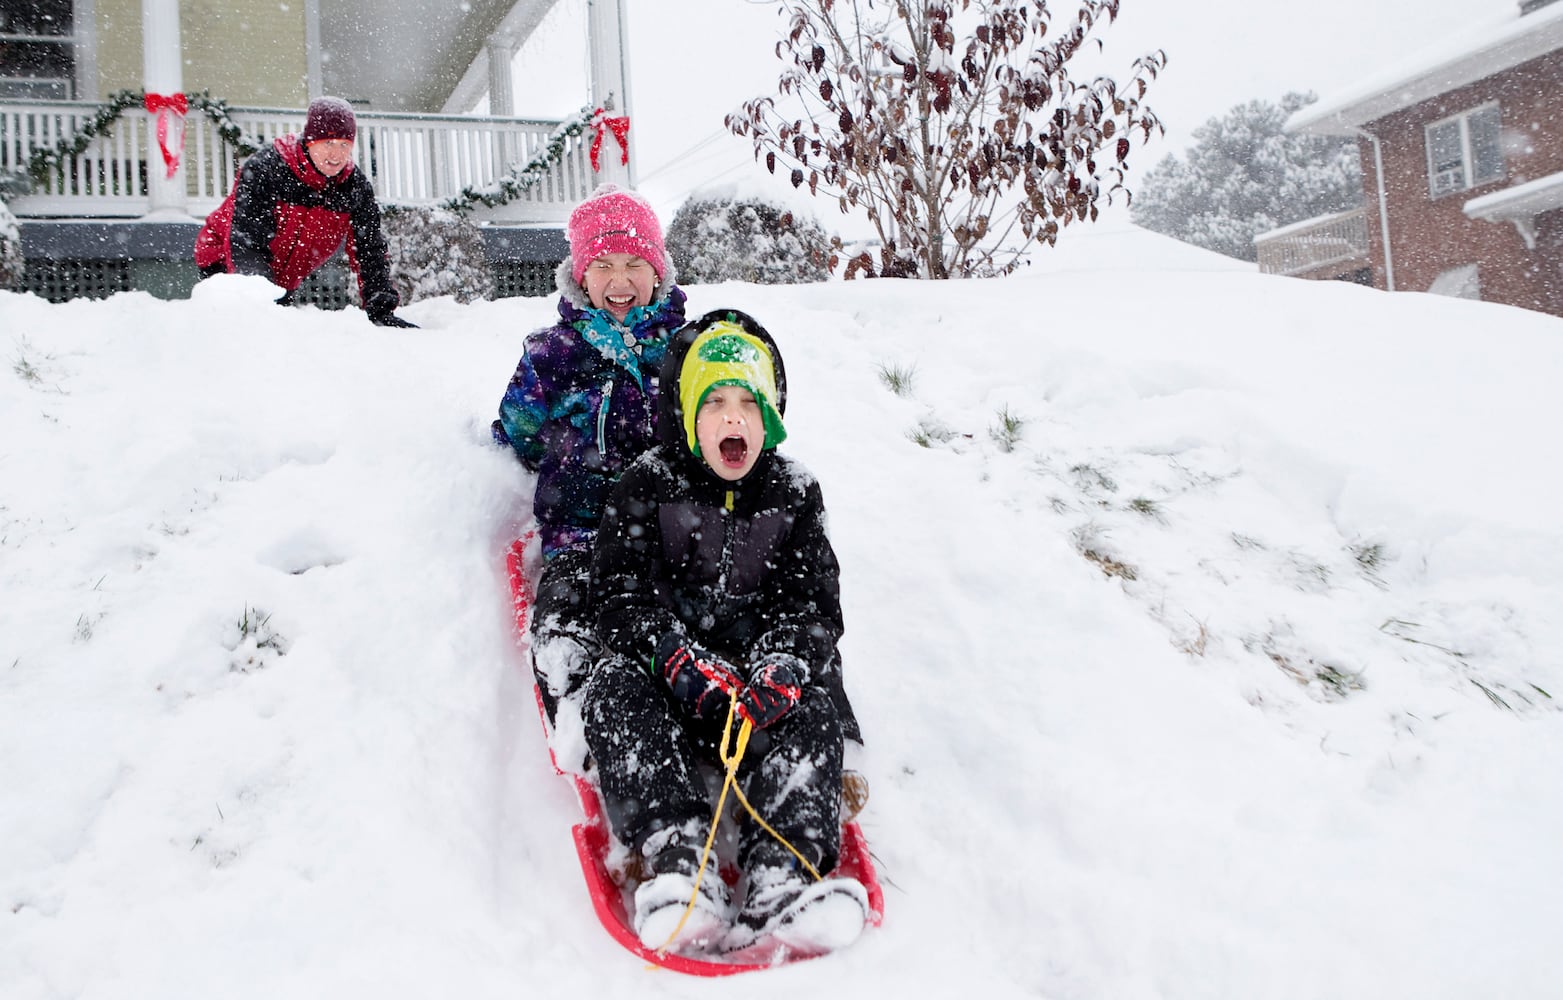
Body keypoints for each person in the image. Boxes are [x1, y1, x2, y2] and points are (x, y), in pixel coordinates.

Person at [581, 308, 867, 957]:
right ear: (687, 415)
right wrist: (672, 656)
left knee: (815, 708)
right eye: (714, 402)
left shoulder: (793, 492)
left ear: (771, 415)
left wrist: (784, 663)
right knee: (613, 689)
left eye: (749, 402)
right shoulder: (647, 484)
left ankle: (783, 875)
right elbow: (618, 594)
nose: (733, 417)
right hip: (672, 686)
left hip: (756, 694)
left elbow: (811, 602)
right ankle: (681, 863)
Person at [491, 184, 686, 719]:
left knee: (675, 620)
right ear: (579, 275)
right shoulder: (553, 354)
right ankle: (581, 707)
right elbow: (519, 428)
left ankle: (679, 707)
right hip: (582, 534)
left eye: (634, 263)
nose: (619, 281)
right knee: (567, 620)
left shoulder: (686, 351)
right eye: (602, 264)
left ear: (658, 271)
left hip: (668, 536)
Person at [194, 96, 416, 328]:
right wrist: (259, 297)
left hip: (286, 273)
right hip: (224, 257)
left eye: (344, 145)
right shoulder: (267, 169)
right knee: (242, 329)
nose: (336, 154)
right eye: (328, 143)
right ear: (310, 141)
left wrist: (380, 310)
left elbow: (369, 250)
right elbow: (247, 243)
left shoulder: (354, 187)